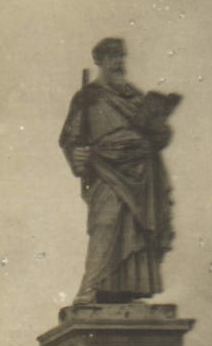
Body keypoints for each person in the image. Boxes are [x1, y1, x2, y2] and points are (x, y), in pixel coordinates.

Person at [58, 37, 180, 304]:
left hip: (141, 173)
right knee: (105, 223)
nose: (119, 63)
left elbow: (159, 136)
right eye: (113, 57)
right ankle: (91, 287)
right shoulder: (87, 97)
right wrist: (76, 154)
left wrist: (159, 128)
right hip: (105, 169)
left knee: (135, 229)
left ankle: (127, 290)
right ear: (100, 61)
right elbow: (70, 137)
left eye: (122, 57)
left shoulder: (135, 97)